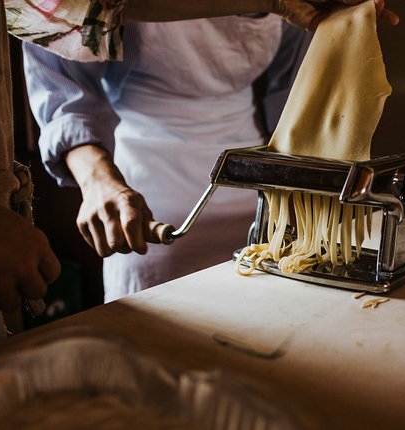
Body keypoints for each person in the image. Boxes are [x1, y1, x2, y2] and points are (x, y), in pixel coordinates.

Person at [0, 0, 397, 351]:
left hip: (259, 199)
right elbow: (67, 94)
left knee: (269, 347)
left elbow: (299, 96)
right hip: (147, 196)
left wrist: (302, 184)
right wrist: (99, 182)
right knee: (161, 356)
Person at [24, 18, 312, 301]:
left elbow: (296, 94)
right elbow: (63, 89)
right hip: (147, 210)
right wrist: (98, 181)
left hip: (259, 209)